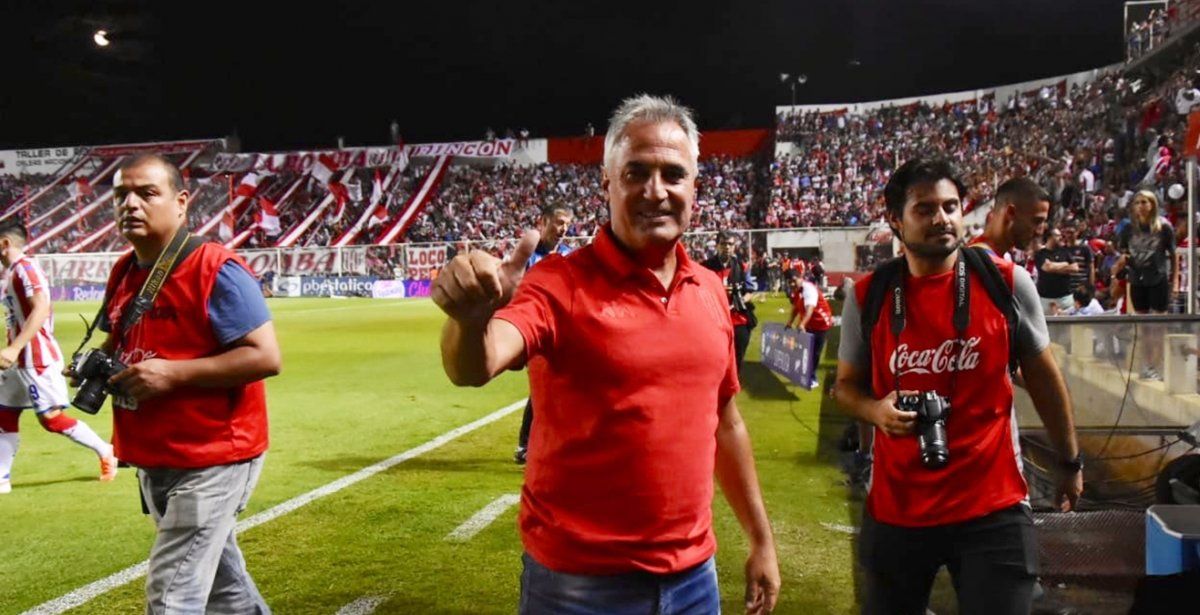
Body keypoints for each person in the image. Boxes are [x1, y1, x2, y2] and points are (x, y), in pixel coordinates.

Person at [432, 95, 780, 614]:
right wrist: (469, 319)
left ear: (695, 188)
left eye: (673, 174)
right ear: (607, 184)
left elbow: (725, 422)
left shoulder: (709, 289)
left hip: (695, 582)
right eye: (636, 172)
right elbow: (475, 365)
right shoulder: (559, 283)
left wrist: (761, 539)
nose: (655, 191)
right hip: (578, 589)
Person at [833, 158, 1082, 615]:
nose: (942, 219)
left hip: (993, 507)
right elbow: (845, 388)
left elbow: (1045, 379)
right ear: (895, 219)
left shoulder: (1006, 283)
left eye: (951, 206)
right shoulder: (868, 296)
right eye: (925, 209)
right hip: (898, 507)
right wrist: (875, 411)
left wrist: (1069, 460)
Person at [83, 153, 281, 612]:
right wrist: (98, 365)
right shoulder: (124, 270)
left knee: (172, 595)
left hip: (213, 455)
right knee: (226, 592)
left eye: (146, 193)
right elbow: (120, 338)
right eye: (121, 195)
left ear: (181, 202)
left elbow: (266, 356)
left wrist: (172, 373)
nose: (130, 204)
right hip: (154, 453)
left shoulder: (215, 268)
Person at [0, 221, 117, 494]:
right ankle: (2, 478)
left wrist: (15, 347)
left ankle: (105, 451)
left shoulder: (26, 268)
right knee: (3, 415)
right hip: (19, 361)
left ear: (5, 243)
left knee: (51, 419)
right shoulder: (12, 272)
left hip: (36, 358)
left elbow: (41, 308)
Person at [513, 205, 574, 465]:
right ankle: (526, 445)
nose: (563, 228)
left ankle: (542, 443)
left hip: (561, 332)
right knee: (542, 388)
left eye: (567, 224)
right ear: (543, 222)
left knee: (559, 388)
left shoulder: (568, 256)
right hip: (535, 330)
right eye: (559, 222)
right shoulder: (528, 257)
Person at [1118, 189, 1176, 379]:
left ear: (1152, 204)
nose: (1141, 206)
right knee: (1142, 326)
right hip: (1137, 279)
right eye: (1137, 202)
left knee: (1158, 326)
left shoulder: (1164, 227)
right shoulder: (1128, 228)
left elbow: (1173, 255)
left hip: (1158, 278)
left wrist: (1174, 281)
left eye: (1144, 202)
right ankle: (1146, 363)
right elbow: (1124, 252)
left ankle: (1157, 365)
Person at [702, 230, 756, 376]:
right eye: (723, 244)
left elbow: (749, 291)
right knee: (715, 354)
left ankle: (734, 380)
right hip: (713, 318)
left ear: (734, 246)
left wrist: (738, 302)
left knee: (739, 350)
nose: (727, 247)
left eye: (730, 244)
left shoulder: (742, 266)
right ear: (717, 245)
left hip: (737, 317)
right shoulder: (705, 267)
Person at [970, 176, 1051, 259]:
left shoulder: (1001, 258)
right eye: (1037, 221)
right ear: (1011, 213)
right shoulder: (974, 260)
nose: (1040, 232)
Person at [784, 274, 833, 391]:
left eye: (794, 280)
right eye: (790, 282)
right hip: (809, 323)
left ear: (800, 277)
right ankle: (805, 375)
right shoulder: (797, 291)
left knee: (815, 352)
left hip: (820, 323)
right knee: (805, 351)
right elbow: (796, 308)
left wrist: (802, 324)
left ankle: (812, 379)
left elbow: (810, 309)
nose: (792, 284)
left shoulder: (809, 289)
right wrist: (790, 322)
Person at [1034, 228, 1081, 313]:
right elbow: (1047, 268)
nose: (1061, 237)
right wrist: (1065, 264)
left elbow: (1075, 268)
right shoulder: (1041, 254)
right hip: (1046, 300)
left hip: (1065, 299)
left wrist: (1053, 266)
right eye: (1058, 235)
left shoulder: (1065, 252)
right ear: (1050, 237)